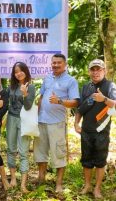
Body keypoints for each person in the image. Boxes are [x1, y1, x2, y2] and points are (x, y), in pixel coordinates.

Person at [33, 53, 79, 192]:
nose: (56, 65)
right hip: (41, 121)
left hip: (57, 123)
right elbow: (41, 97)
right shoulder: (47, 78)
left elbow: (75, 102)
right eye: (54, 63)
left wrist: (59, 101)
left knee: (58, 153)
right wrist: (36, 116)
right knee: (40, 152)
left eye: (59, 63)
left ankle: (58, 184)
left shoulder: (71, 81)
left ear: (65, 65)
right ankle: (41, 178)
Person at [74, 59, 116, 199]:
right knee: (86, 159)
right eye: (93, 69)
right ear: (89, 71)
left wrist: (104, 99)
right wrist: (76, 123)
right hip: (86, 130)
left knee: (100, 161)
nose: (96, 72)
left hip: (101, 131)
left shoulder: (110, 86)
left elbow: (115, 105)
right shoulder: (86, 87)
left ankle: (97, 188)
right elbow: (80, 108)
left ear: (104, 70)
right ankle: (87, 185)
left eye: (99, 69)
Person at [6, 62, 35, 193]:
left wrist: (25, 94)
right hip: (11, 119)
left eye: (21, 71)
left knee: (23, 152)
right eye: (16, 71)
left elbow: (28, 106)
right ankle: (13, 179)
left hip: (24, 120)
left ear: (25, 71)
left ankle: (23, 184)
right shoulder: (11, 87)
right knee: (11, 149)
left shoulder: (31, 87)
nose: (18, 73)